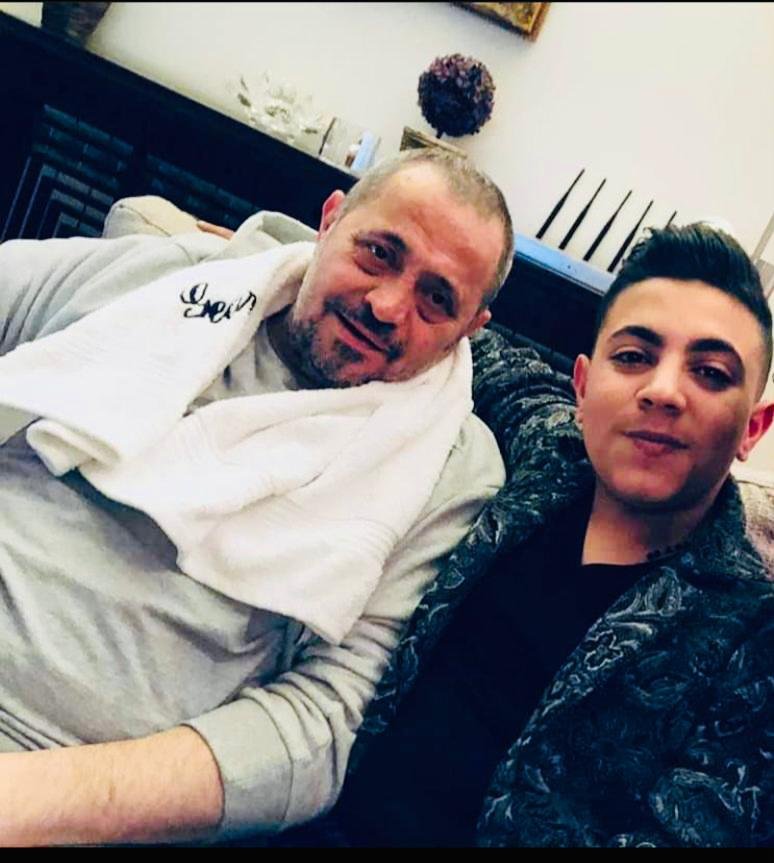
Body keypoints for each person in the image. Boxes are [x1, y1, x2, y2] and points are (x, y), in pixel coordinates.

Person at [0, 148, 516, 845]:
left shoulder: (449, 468)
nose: (387, 306)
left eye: (437, 299)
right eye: (379, 253)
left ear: (471, 329)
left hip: (56, 789)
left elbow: (319, 727)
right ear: (330, 221)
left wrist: (31, 799)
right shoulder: (172, 278)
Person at [315, 223, 774, 848]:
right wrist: (284, 268)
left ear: (753, 429)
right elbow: (459, 334)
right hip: (315, 809)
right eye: (633, 357)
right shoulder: (548, 452)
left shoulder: (752, 638)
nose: (663, 391)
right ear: (582, 387)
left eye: (711, 373)